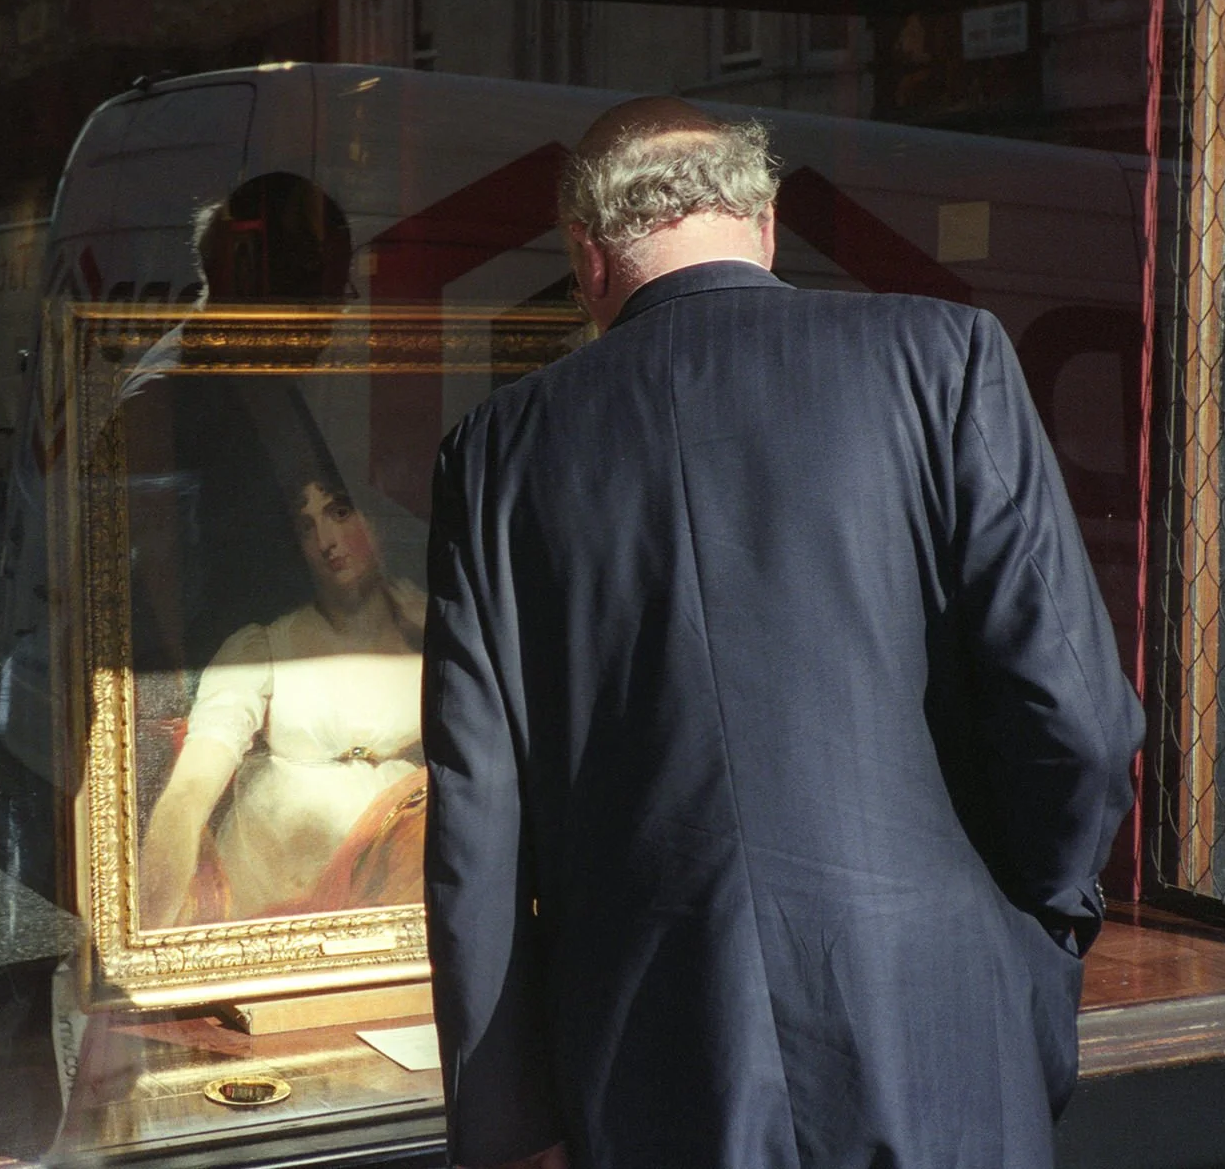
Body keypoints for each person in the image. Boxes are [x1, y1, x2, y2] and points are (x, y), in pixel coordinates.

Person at [421, 98, 1144, 1169]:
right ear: (764, 224)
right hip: (937, 1022)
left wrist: (508, 1122)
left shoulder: (495, 453)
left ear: (589, 257)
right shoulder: (938, 356)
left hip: (649, 1057)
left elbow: (478, 813)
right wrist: (1036, 924)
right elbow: (1075, 716)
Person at [137, 466, 428, 928]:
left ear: (377, 521)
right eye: (307, 526)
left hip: (395, 878)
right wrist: (150, 933)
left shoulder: (428, 638)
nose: (326, 541)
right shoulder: (265, 647)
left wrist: (443, 636)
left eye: (339, 512)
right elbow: (191, 789)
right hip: (275, 880)